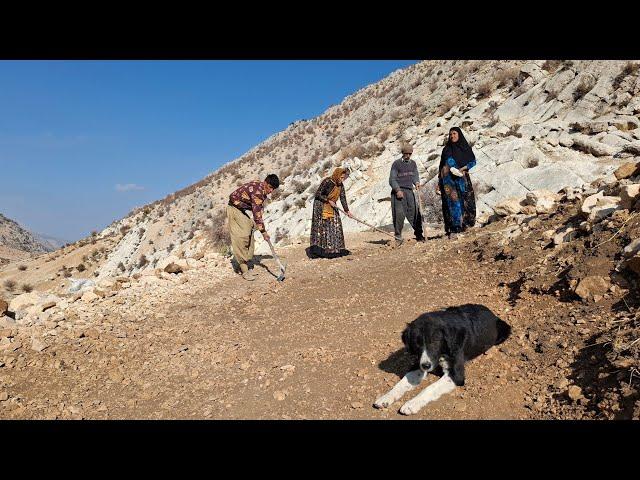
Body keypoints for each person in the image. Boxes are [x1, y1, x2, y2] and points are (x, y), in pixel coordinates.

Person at [227, 174, 280, 281]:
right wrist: (264, 232)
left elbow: (258, 209)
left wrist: (261, 226)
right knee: (242, 235)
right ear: (265, 183)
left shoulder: (261, 189)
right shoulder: (258, 192)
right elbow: (257, 215)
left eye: (273, 189)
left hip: (241, 209)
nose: (271, 191)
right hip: (233, 207)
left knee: (250, 229)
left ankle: (247, 261)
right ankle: (244, 270)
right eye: (270, 187)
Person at [436, 127, 477, 238]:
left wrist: (464, 168)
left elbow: (473, 161)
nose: (452, 136)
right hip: (448, 182)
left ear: (459, 134)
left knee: (465, 201)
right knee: (451, 203)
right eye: (450, 134)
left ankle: (466, 225)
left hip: (461, 180)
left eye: (454, 133)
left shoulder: (465, 147)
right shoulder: (446, 150)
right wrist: (439, 182)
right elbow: (441, 166)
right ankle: (453, 228)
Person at [309, 167, 354, 259]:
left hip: (332, 205)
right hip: (320, 206)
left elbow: (342, 198)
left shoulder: (340, 185)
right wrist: (328, 200)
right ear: (337, 175)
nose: (342, 180)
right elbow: (318, 194)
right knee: (322, 227)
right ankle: (320, 250)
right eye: (341, 178)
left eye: (344, 178)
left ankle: (336, 249)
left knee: (336, 225)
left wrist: (347, 211)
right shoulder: (327, 181)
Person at [389, 144, 425, 244]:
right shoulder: (396, 164)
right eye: (406, 153)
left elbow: (415, 175)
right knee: (399, 215)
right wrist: (397, 190)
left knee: (414, 213)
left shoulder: (413, 163)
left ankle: (419, 234)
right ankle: (398, 238)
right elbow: (392, 179)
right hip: (399, 193)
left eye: (410, 154)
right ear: (403, 153)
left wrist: (417, 182)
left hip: (409, 191)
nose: (408, 155)